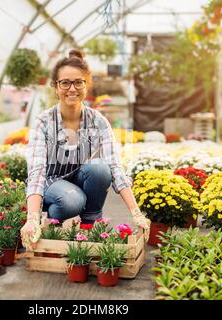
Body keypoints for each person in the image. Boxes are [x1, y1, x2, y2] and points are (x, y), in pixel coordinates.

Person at [20, 49, 150, 250]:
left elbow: (115, 167)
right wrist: (31, 217)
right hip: (51, 183)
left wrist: (135, 212)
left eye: (78, 82)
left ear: (86, 85)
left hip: (78, 179)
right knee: (72, 200)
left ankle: (90, 224)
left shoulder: (98, 121)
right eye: (65, 83)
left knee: (100, 168)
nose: (72, 89)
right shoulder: (44, 122)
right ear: (56, 87)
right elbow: (37, 171)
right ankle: (53, 223)